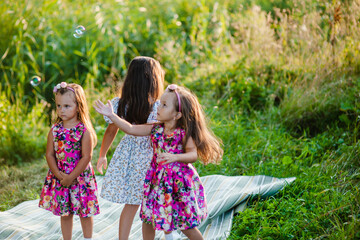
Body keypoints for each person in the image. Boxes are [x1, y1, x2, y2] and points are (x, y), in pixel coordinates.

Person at [94, 84, 223, 240]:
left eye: (164, 105)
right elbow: (130, 129)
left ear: (177, 115)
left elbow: (193, 154)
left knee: (184, 223)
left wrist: (175, 157)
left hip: (177, 184)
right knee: (148, 219)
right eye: (160, 103)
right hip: (156, 181)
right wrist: (113, 116)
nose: (158, 108)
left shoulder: (183, 133)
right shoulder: (154, 129)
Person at [96, 56, 165, 239]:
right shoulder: (157, 107)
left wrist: (103, 154)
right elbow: (114, 131)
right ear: (153, 80)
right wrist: (102, 155)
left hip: (129, 156)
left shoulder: (120, 104)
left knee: (132, 204)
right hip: (149, 159)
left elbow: (111, 132)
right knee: (147, 204)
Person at [39, 82, 99, 240]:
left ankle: (88, 238)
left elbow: (87, 157)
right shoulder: (55, 130)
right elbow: (50, 154)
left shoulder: (83, 131)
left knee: (85, 213)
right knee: (65, 213)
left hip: (80, 178)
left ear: (78, 106)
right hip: (61, 177)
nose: (61, 110)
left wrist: (71, 177)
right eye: (58, 106)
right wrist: (59, 176)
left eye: (66, 106)